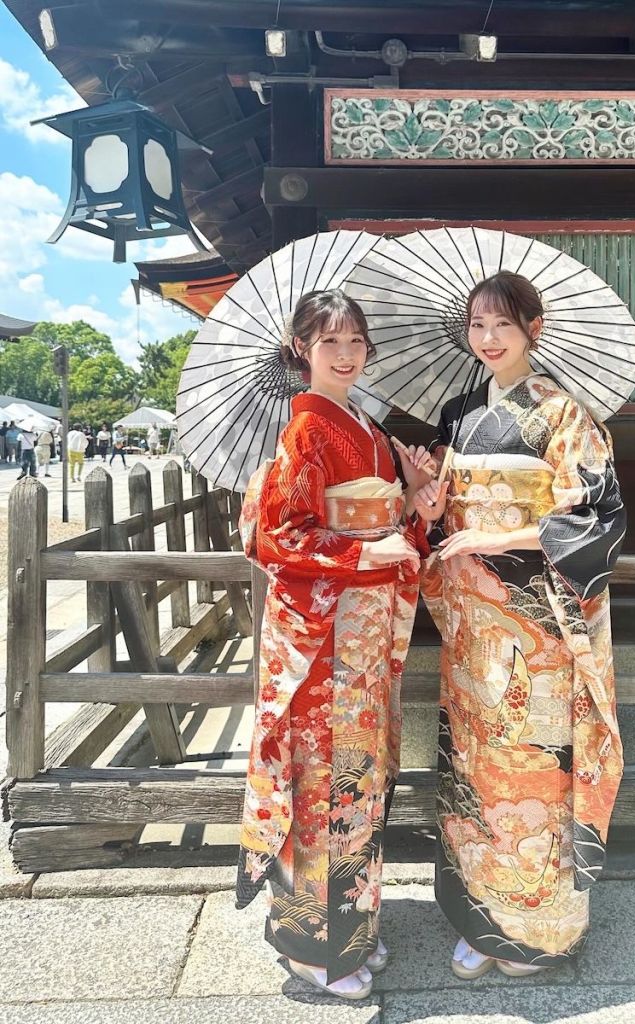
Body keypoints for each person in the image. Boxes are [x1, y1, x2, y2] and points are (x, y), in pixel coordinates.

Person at [414, 271, 626, 980]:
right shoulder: (457, 415)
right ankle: (482, 922)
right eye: (477, 324)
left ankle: (540, 930)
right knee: (473, 770)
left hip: (536, 626)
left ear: (533, 328)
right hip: (471, 625)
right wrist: (431, 503)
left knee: (534, 767)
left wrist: (494, 536)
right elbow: (443, 519)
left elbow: (594, 516)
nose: (489, 338)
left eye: (503, 323)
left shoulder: (564, 415)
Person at [235, 289, 435, 1000]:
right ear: (303, 350)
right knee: (321, 781)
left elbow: (391, 533)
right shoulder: (306, 431)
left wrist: (417, 503)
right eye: (330, 342)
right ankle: (309, 947)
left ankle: (350, 930)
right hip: (323, 641)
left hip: (363, 634)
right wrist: (366, 552)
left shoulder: (369, 430)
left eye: (355, 341)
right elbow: (278, 537)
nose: (346, 354)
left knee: (358, 779)